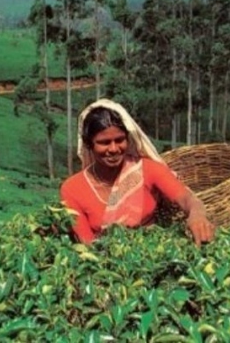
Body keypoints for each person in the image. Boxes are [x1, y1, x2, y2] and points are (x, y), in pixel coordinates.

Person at [60, 99, 216, 246]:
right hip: (108, 263)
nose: (114, 149)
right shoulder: (72, 189)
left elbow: (187, 198)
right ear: (89, 144)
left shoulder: (147, 169)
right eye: (104, 143)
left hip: (153, 250)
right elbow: (87, 244)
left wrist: (197, 215)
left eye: (120, 140)